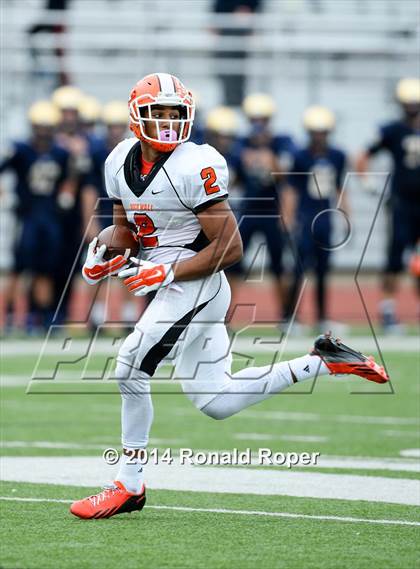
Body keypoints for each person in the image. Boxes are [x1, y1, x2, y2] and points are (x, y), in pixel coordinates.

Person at [70, 73, 388, 520]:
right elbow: (126, 232)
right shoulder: (118, 159)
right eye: (157, 112)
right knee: (215, 400)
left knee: (129, 368)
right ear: (135, 115)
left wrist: (168, 268)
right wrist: (100, 252)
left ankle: (130, 484)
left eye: (174, 113)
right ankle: (322, 361)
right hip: (176, 282)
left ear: (188, 117)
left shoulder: (193, 164)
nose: (166, 122)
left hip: (195, 283)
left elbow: (230, 247)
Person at [356, 77, 420, 333]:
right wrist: (368, 183)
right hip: (402, 203)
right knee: (394, 258)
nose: (411, 108)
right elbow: (363, 156)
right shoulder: (392, 129)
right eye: (408, 104)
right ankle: (388, 309)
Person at [0, 101, 70, 332]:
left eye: (47, 127)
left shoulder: (61, 152)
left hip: (50, 217)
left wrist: (66, 193)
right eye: (40, 127)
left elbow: (71, 178)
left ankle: (42, 320)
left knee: (46, 270)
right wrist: (5, 194)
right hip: (27, 215)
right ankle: (16, 320)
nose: (43, 132)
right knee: (20, 270)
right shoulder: (20, 149)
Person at [231, 93, 296, 322]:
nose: (259, 125)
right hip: (248, 210)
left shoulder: (282, 142)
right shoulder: (240, 144)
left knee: (279, 266)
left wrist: (271, 160)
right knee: (233, 264)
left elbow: (288, 177)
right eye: (254, 119)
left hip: (272, 211)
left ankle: (286, 315)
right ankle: (226, 315)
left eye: (263, 119)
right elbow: (233, 179)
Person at [284, 106, 349, 331]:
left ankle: (321, 317)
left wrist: (346, 216)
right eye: (315, 132)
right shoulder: (299, 156)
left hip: (325, 218)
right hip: (305, 217)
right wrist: (288, 218)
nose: (319, 136)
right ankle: (289, 317)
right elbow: (291, 189)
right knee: (299, 269)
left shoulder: (338, 155)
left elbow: (340, 188)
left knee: (323, 271)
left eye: (322, 132)